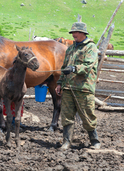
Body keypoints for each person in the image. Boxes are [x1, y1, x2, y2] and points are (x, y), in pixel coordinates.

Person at [55, 22, 101, 150]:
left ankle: (94, 141)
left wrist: (74, 68)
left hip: (84, 88)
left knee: (87, 115)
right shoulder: (70, 48)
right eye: (72, 33)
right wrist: (59, 83)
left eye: (75, 32)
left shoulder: (91, 48)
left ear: (82, 33)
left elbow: (88, 66)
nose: (73, 35)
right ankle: (66, 142)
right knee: (67, 116)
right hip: (68, 87)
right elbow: (64, 68)